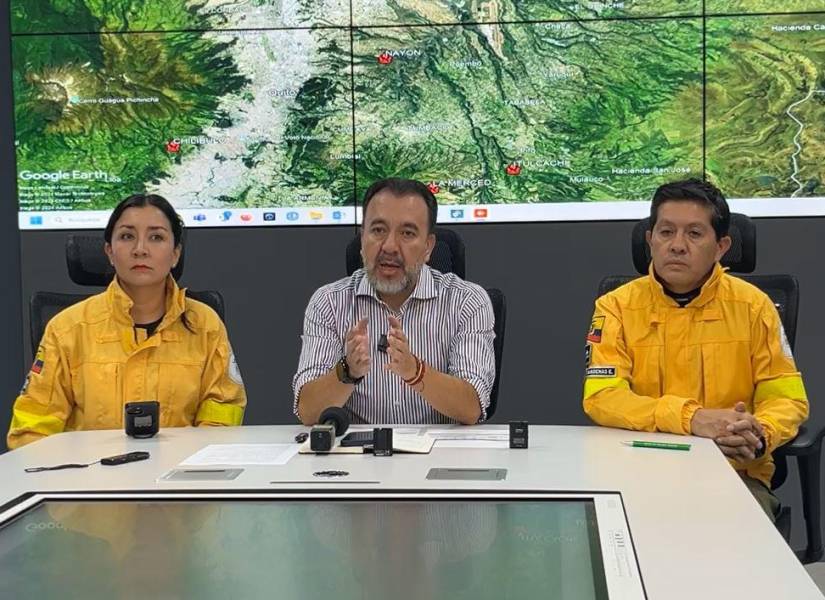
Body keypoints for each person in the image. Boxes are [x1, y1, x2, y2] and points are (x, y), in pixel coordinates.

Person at [582, 178, 808, 519]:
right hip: (640, 474)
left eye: (694, 234)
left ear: (721, 246)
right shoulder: (615, 307)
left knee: (736, 548)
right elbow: (602, 397)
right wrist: (692, 418)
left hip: (732, 474)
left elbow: (787, 398)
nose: (677, 245)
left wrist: (759, 433)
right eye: (666, 232)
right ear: (650, 240)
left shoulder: (754, 306)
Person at [7, 194, 246, 449]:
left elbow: (222, 413)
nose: (140, 249)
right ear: (109, 251)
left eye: (156, 237)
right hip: (88, 481)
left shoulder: (205, 324)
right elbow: (30, 432)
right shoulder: (66, 328)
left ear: (175, 253)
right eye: (127, 236)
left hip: (177, 480)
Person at [293, 178, 495, 425]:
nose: (389, 246)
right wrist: (347, 371)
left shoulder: (467, 302)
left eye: (407, 233)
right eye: (378, 230)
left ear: (428, 247)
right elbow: (308, 412)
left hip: (441, 457)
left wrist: (415, 372)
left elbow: (471, 407)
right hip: (358, 458)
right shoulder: (328, 303)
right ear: (362, 238)